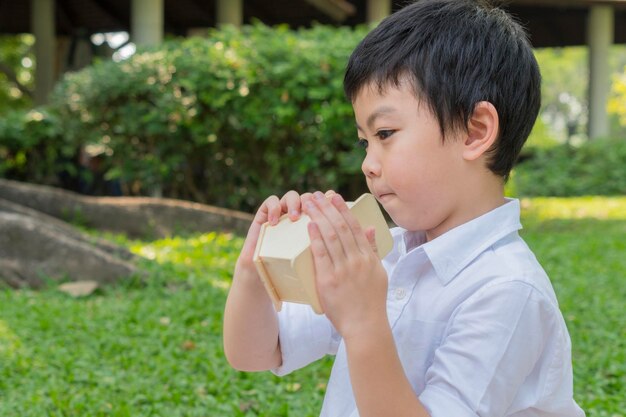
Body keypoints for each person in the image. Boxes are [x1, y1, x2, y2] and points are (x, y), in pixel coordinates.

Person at [223, 0, 585, 415]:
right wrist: (255, 272)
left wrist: (362, 322)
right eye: (365, 141)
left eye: (385, 133)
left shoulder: (507, 291)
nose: (367, 164)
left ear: (475, 131)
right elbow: (255, 353)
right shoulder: (382, 252)